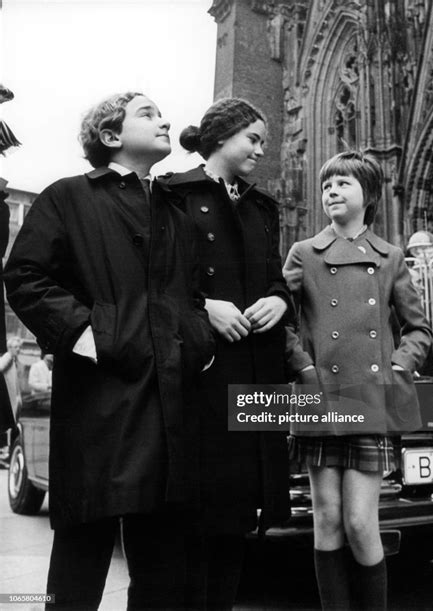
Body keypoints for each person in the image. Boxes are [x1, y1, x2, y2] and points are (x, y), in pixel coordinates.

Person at [4, 91, 215, 610]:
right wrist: (89, 337)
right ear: (110, 136)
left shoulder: (176, 211)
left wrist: (198, 345)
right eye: (148, 113)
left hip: (170, 406)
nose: (165, 120)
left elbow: (190, 295)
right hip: (99, 403)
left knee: (163, 572)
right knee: (78, 570)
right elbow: (24, 276)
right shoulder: (68, 197)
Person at [283, 150, 432, 611]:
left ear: (368, 196)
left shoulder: (389, 257)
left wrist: (399, 367)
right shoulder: (304, 253)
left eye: (343, 184)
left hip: (370, 398)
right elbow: (280, 322)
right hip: (319, 397)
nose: (331, 191)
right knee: (326, 519)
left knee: (362, 522)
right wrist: (304, 367)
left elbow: (419, 329)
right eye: (327, 184)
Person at [162, 97, 292, 609]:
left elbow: (278, 281)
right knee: (195, 522)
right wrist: (204, 307)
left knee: (238, 520)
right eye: (253, 139)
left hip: (255, 376)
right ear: (220, 138)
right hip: (200, 376)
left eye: (264, 141)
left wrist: (278, 302)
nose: (262, 150)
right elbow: (154, 282)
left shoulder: (263, 207)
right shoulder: (172, 193)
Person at [0, 336, 22, 420]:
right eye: (16, 347)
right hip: (9, 396)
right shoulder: (8, 356)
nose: (18, 349)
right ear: (9, 347)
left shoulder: (13, 359)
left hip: (12, 396)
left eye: (19, 347)